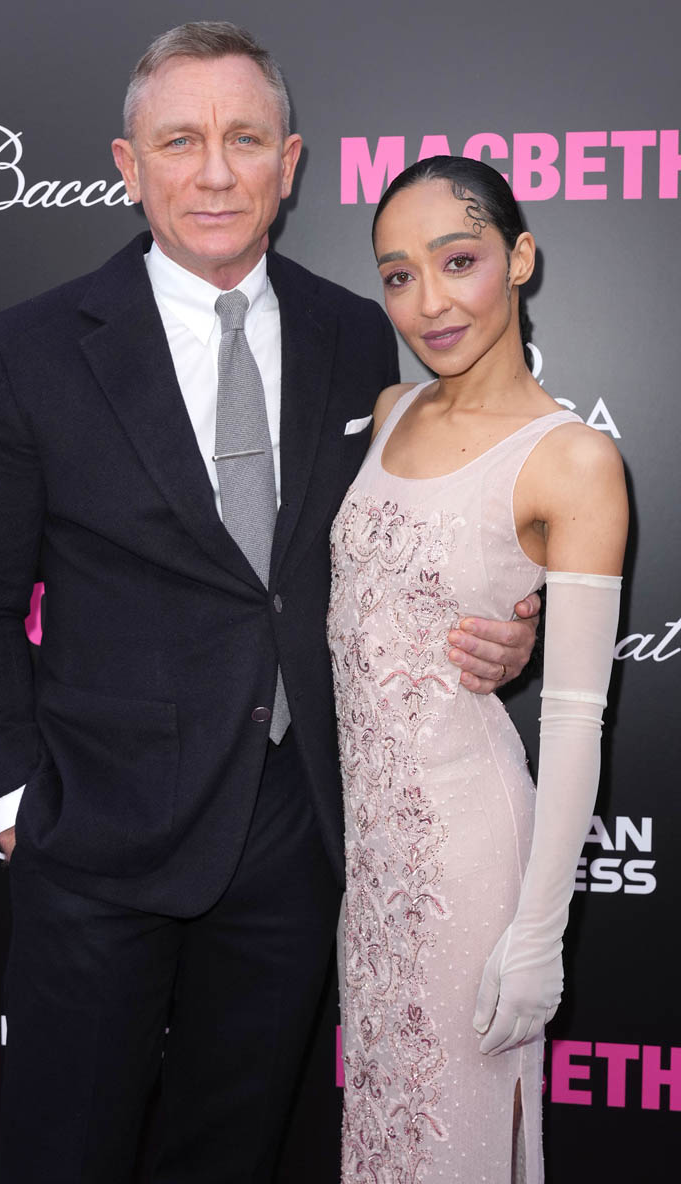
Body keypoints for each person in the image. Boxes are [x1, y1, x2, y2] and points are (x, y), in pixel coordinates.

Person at [0, 27, 539, 1184]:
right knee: (64, 1151)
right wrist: (15, 801)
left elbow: (389, 541)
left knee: (236, 1152)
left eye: (244, 139)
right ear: (128, 165)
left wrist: (502, 627)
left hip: (294, 828)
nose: (214, 172)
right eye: (180, 141)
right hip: (95, 831)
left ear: (289, 163)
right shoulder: (28, 349)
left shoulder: (352, 330)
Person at [328, 155, 628, 1183]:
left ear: (520, 257)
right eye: (398, 275)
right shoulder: (390, 410)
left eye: (458, 260)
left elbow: (576, 719)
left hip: (471, 862)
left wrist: (538, 933)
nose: (429, 301)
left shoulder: (572, 460)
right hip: (372, 873)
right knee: (382, 1143)